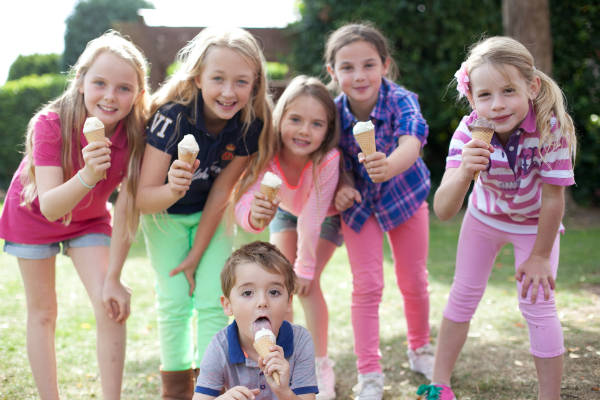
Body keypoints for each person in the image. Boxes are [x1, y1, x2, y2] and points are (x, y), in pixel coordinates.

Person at [416, 37, 577, 400]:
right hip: (484, 219)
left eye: (509, 90)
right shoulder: (469, 132)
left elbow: (554, 199)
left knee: (538, 305)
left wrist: (539, 255)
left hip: (535, 225)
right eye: (485, 95)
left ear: (531, 87)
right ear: (472, 99)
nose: (498, 104)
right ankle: (439, 384)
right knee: (463, 295)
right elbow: (443, 210)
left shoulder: (552, 130)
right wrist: (463, 173)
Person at [0, 31, 150, 399]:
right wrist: (88, 174)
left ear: (138, 94)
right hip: (32, 216)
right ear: (81, 81)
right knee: (43, 312)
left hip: (89, 219)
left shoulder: (133, 135)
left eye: (124, 88)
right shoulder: (50, 124)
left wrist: (114, 276)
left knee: (110, 303)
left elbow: (129, 206)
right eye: (100, 83)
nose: (110, 96)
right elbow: (50, 205)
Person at [136, 27, 273, 399]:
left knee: (215, 300)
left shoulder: (248, 125)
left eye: (241, 81)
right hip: (165, 217)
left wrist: (198, 252)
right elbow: (142, 198)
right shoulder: (172, 119)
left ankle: (210, 389)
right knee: (176, 302)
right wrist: (173, 188)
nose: (229, 92)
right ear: (198, 78)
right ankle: (175, 390)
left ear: (254, 84)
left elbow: (220, 193)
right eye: (218, 79)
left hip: (211, 216)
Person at [324, 23, 434, 399]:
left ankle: (420, 348)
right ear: (332, 72)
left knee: (413, 279)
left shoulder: (401, 99)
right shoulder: (332, 112)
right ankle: (369, 372)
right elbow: (327, 159)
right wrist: (342, 186)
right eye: (348, 67)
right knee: (367, 287)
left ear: (385, 65)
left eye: (369, 64)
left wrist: (391, 164)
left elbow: (412, 140)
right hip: (359, 208)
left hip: (404, 196)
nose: (359, 75)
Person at [234, 75, 341, 400]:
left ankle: (320, 364)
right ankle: (286, 362)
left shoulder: (327, 159)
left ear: (327, 129)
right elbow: (247, 195)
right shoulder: (269, 154)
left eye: (316, 123)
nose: (304, 130)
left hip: (326, 216)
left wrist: (305, 268)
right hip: (286, 211)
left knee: (307, 287)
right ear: (280, 118)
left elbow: (313, 214)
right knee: (280, 288)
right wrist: (253, 217)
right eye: (295, 119)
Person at [193, 241, 318, 400]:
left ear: (288, 302)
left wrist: (284, 392)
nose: (262, 302)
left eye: (274, 292)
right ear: (228, 305)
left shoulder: (300, 341)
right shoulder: (220, 346)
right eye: (247, 293)